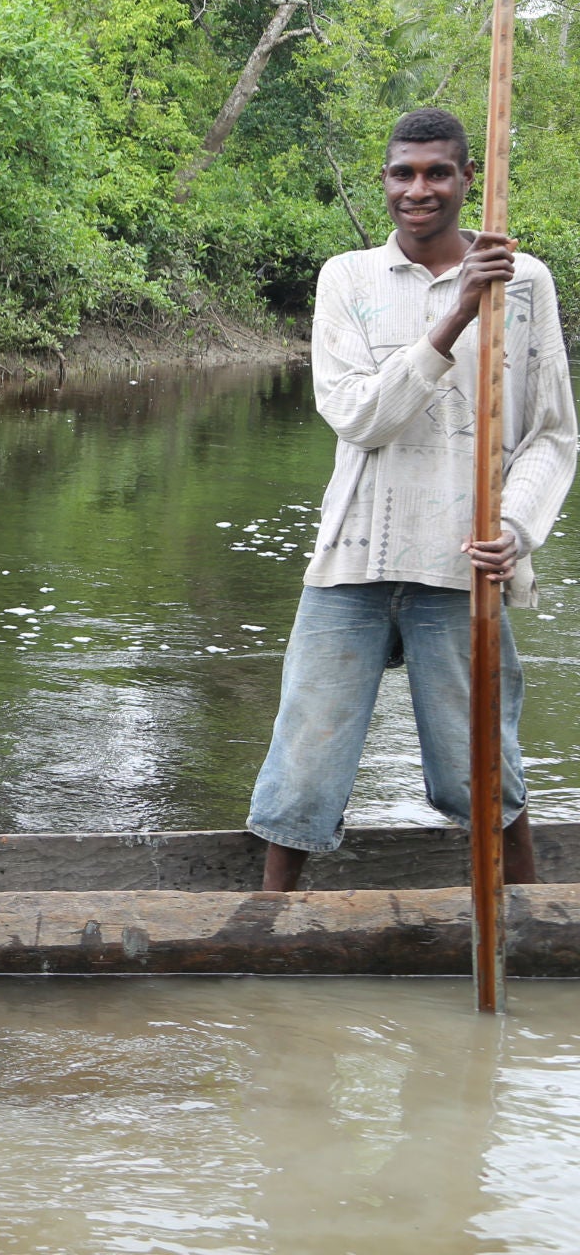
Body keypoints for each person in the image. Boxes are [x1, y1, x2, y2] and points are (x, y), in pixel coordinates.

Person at [247, 108, 576, 890]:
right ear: (385, 181)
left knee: (480, 768)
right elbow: (361, 417)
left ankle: (531, 917)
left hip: (464, 560)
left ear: (469, 179)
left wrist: (518, 529)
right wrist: (457, 310)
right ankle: (262, 935)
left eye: (436, 172)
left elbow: (553, 436)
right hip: (355, 555)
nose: (418, 189)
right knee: (304, 765)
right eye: (404, 173)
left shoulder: (525, 284)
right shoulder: (348, 278)